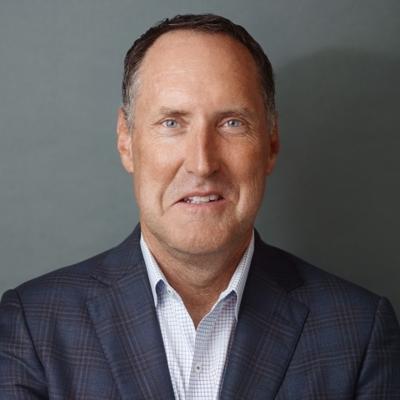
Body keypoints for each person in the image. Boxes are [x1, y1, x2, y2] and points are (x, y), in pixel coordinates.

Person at [0, 13, 399, 400]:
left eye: (231, 123)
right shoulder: (33, 325)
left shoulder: (358, 332)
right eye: (172, 122)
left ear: (271, 142)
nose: (202, 163)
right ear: (126, 140)